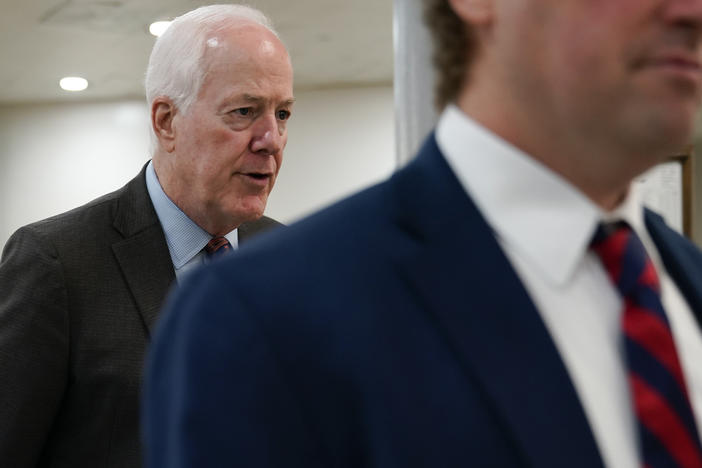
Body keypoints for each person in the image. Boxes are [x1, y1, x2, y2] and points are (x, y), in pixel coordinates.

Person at [144, 0, 702, 467]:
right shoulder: (265, 316)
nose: (690, 10)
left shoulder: (685, 282)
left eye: (284, 113)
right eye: (244, 111)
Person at [0, 4, 293, 467]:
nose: (271, 138)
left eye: (283, 113)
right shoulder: (55, 263)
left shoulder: (285, 257)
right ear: (166, 121)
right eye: (244, 111)